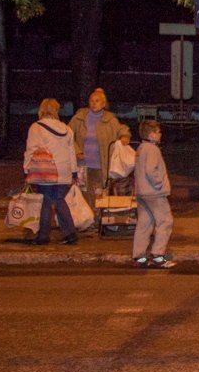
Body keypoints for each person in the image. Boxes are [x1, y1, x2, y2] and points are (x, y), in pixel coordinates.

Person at [23, 98, 79, 246]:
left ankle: (43, 236)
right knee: (59, 200)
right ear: (56, 110)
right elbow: (71, 152)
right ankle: (70, 233)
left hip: (46, 170)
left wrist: (27, 169)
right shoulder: (67, 129)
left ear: (41, 109)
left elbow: (31, 149)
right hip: (63, 171)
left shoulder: (36, 127)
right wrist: (74, 172)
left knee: (45, 202)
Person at [68, 87, 131, 213]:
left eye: (97, 101)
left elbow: (122, 129)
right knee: (83, 193)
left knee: (99, 195)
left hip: (101, 166)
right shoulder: (79, 118)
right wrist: (77, 150)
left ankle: (97, 219)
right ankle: (85, 219)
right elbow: (68, 135)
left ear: (103, 104)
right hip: (82, 165)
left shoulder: (110, 119)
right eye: (91, 101)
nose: (94, 103)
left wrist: (124, 136)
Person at [132, 120, 175, 269]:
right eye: (158, 132)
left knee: (144, 223)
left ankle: (139, 256)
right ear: (151, 134)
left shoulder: (141, 148)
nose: (160, 134)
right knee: (165, 221)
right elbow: (151, 170)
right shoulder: (153, 149)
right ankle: (158, 255)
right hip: (154, 193)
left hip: (142, 192)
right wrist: (159, 184)